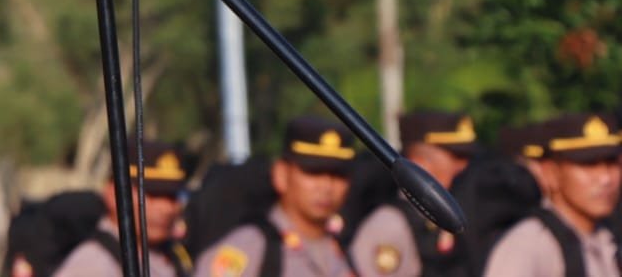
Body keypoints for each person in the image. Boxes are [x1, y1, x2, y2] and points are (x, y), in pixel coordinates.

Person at [193, 116, 356, 277]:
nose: (326, 186)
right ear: (281, 174)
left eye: (338, 174)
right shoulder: (251, 248)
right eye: (313, 172)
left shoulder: (347, 249)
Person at [483, 113, 622, 277]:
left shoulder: (608, 237)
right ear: (549, 173)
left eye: (612, 163)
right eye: (588, 164)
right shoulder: (529, 247)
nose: (605, 179)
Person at [347, 111, 477, 276]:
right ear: (419, 163)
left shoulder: (444, 218)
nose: (463, 165)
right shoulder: (391, 226)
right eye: (456, 156)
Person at [54, 140, 194, 277]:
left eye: (173, 196)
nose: (167, 208)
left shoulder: (176, 254)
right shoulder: (92, 265)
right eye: (153, 195)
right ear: (114, 193)